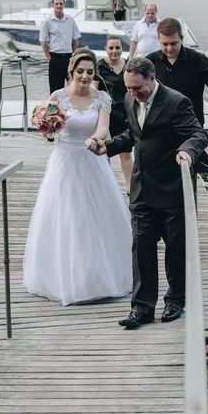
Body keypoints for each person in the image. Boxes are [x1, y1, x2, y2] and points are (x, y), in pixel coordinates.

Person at [87, 58, 208, 328]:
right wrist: (106, 146)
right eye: (129, 88)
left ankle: (175, 300)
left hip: (171, 188)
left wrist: (186, 151)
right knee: (141, 247)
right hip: (142, 188)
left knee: (175, 249)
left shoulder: (177, 102)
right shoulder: (131, 100)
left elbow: (198, 135)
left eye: (138, 88)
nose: (132, 93)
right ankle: (142, 307)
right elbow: (132, 135)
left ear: (152, 79)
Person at [23, 50, 132, 306]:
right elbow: (49, 129)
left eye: (90, 72)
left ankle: (97, 276)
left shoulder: (102, 98)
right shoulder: (57, 97)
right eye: (80, 71)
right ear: (71, 72)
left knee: (94, 218)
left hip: (92, 159)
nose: (84, 76)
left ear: (95, 73)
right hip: (64, 161)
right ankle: (64, 278)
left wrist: (97, 138)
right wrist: (46, 129)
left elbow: (103, 127)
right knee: (67, 216)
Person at [97, 36, 134, 192]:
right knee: (104, 152)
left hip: (125, 113)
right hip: (105, 112)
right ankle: (107, 188)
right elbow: (93, 90)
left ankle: (130, 187)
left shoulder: (129, 66)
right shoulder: (99, 67)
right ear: (105, 48)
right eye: (111, 48)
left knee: (125, 152)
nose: (114, 51)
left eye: (117, 48)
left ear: (122, 49)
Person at [40, 0, 81, 93]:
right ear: (53, 5)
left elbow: (75, 39)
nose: (59, 6)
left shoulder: (70, 20)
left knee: (74, 89)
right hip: (55, 59)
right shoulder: (47, 22)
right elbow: (43, 41)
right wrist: (50, 59)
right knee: (56, 91)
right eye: (56, 3)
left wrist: (74, 56)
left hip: (69, 58)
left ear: (64, 5)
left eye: (61, 3)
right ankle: (56, 108)